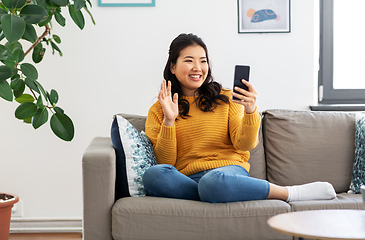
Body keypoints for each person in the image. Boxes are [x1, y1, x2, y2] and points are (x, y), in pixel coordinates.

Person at [142, 33, 336, 203]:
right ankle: (212, 194)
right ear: (173, 67)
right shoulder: (159, 110)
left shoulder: (226, 98)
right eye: (189, 60)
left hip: (227, 173)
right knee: (153, 175)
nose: (198, 67)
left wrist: (251, 111)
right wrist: (169, 120)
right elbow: (165, 163)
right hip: (186, 179)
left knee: (213, 182)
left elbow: (244, 145)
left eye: (203, 61)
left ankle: (288, 192)